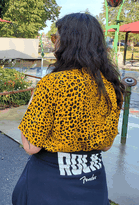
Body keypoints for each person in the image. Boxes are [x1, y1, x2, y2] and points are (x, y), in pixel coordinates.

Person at [12, 13, 125, 205]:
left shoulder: (53, 84)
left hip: (50, 185)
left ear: (69, 43)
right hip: (93, 184)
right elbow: (106, 145)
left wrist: (33, 105)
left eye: (56, 38)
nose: (54, 44)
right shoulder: (111, 87)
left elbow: (30, 145)